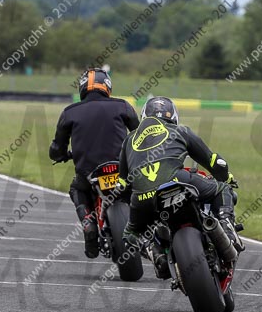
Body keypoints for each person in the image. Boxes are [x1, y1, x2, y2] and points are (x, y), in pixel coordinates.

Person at [118, 96, 244, 279]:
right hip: (176, 180)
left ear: (144, 116)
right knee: (222, 189)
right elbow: (215, 162)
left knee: (130, 234)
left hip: (142, 197)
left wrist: (136, 197)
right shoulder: (180, 130)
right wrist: (225, 177)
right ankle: (226, 227)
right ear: (174, 116)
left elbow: (122, 186)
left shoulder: (129, 140)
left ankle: (155, 254)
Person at [49, 68, 139, 258]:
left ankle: (88, 221)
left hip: (88, 172)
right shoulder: (123, 106)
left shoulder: (69, 112)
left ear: (83, 87)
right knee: (143, 188)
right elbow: (139, 133)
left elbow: (56, 149)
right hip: (122, 169)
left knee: (77, 189)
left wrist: (61, 155)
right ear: (107, 87)